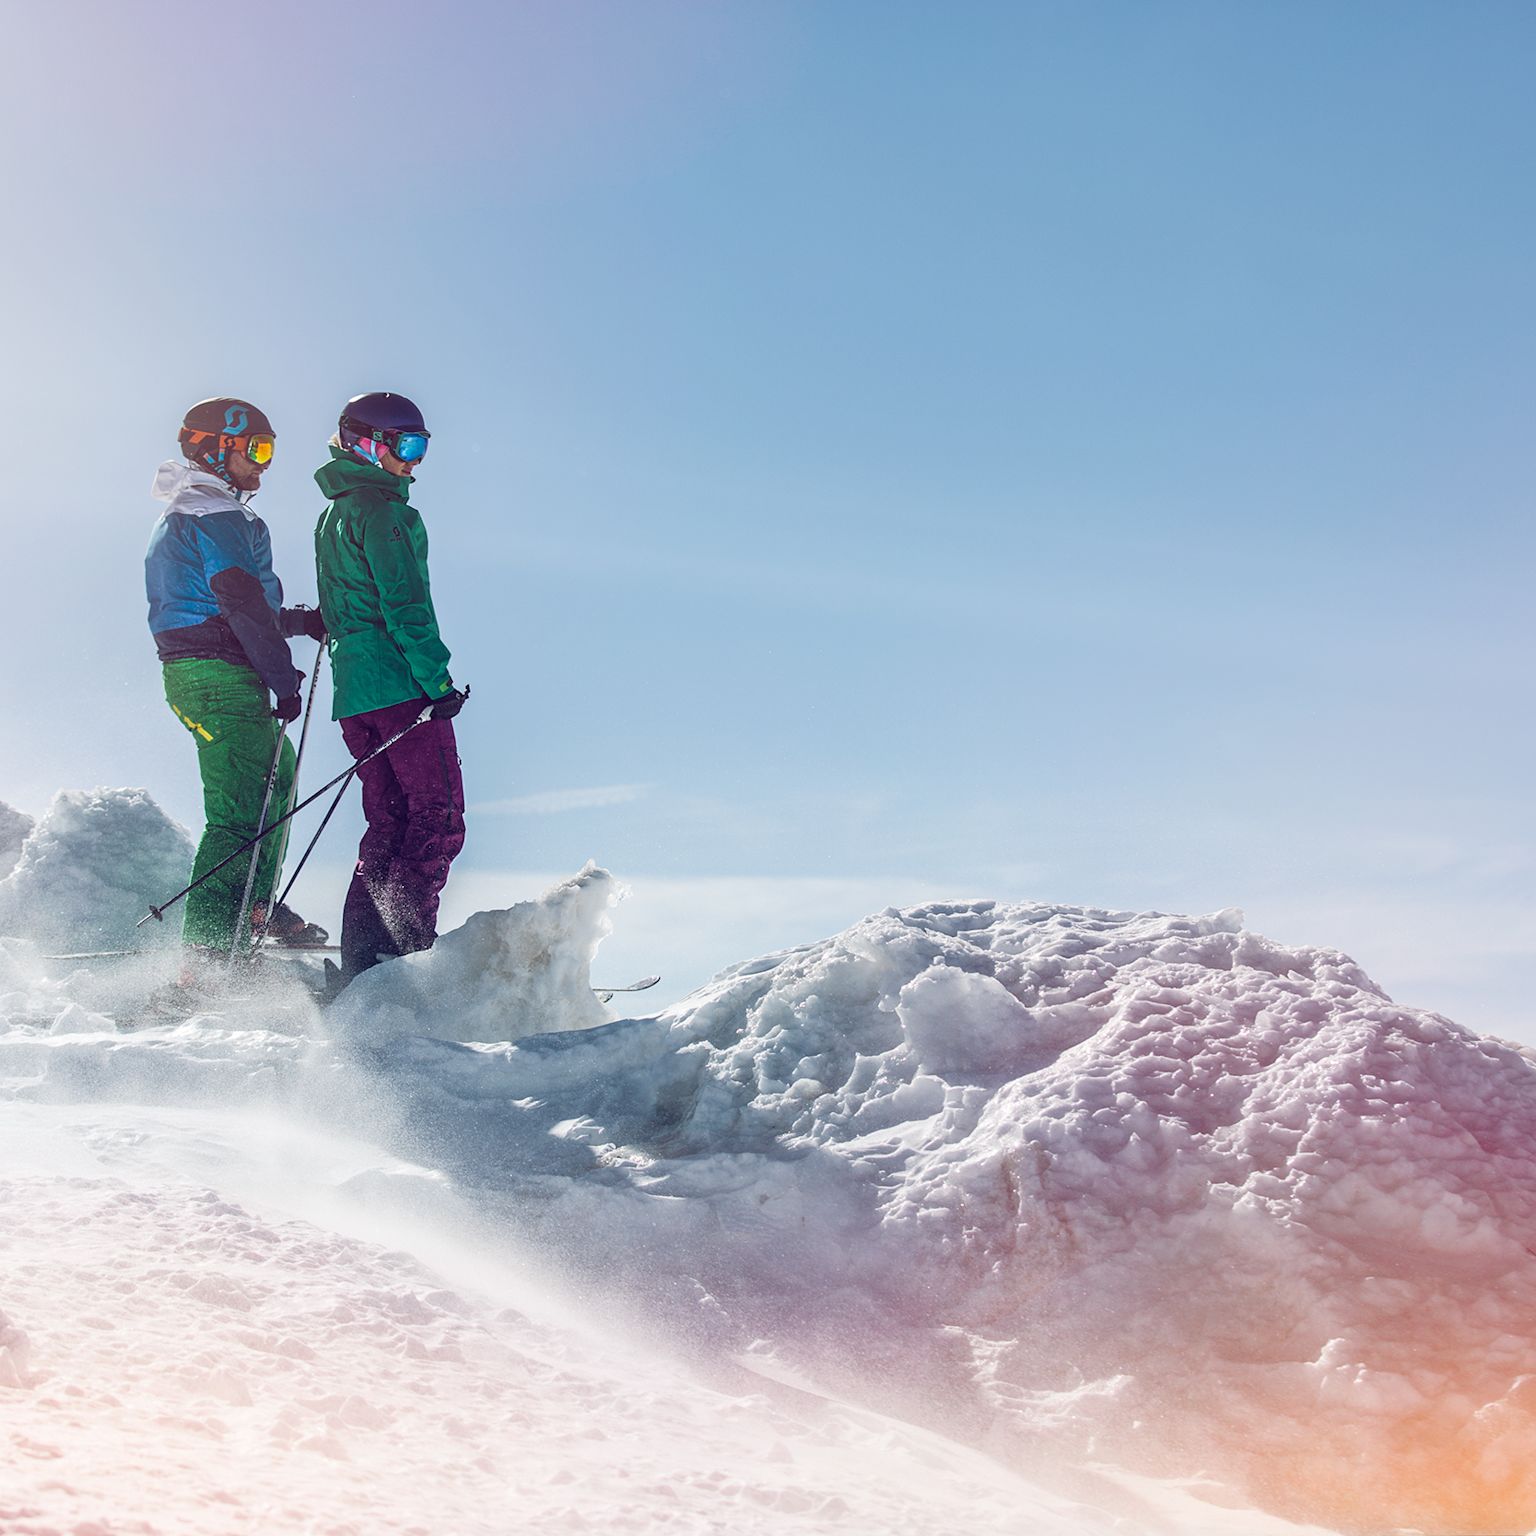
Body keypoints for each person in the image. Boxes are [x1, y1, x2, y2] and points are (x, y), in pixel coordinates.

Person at [146, 397, 329, 980]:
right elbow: (238, 600)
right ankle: (203, 955)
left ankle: (253, 906)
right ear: (216, 448)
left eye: (268, 450)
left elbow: (238, 602)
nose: (264, 464)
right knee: (243, 807)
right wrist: (281, 674)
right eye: (257, 449)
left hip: (215, 668)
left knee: (275, 785)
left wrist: (302, 622)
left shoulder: (211, 509)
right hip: (217, 674)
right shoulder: (211, 510)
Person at [313, 391, 466, 988]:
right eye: (406, 445)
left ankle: (364, 961)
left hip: (355, 695)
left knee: (389, 821)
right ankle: (402, 959)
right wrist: (438, 682)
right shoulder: (385, 512)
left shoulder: (333, 514)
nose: (415, 460)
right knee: (437, 818)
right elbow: (406, 607)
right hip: (402, 687)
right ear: (366, 443)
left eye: (422, 446)